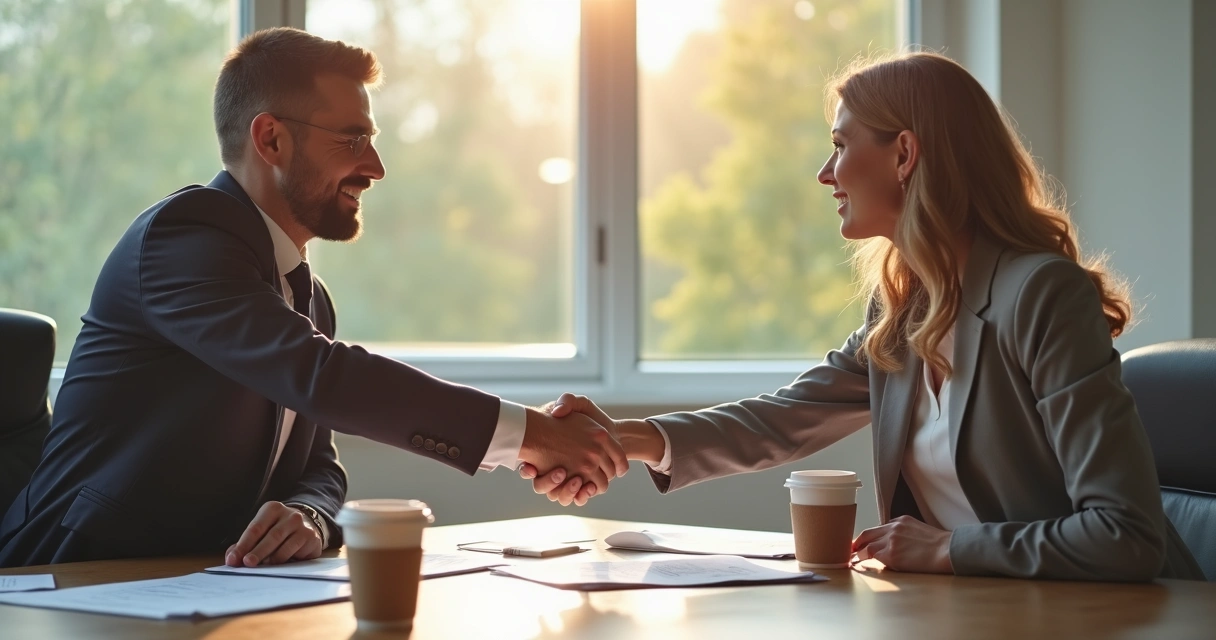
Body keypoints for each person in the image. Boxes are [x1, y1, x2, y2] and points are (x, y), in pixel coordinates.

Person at [522, 52, 1205, 581]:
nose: (827, 172)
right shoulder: (904, 309)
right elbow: (783, 419)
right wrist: (622, 436)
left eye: (842, 144)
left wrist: (948, 550)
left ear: (904, 154)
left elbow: (1127, 535)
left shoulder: (1041, 295)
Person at [0, 27, 626, 568]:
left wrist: (307, 514)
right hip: (68, 577)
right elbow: (321, 376)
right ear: (270, 139)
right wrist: (531, 434)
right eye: (352, 140)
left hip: (198, 586)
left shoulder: (307, 294)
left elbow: (319, 466)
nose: (376, 166)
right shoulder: (184, 237)